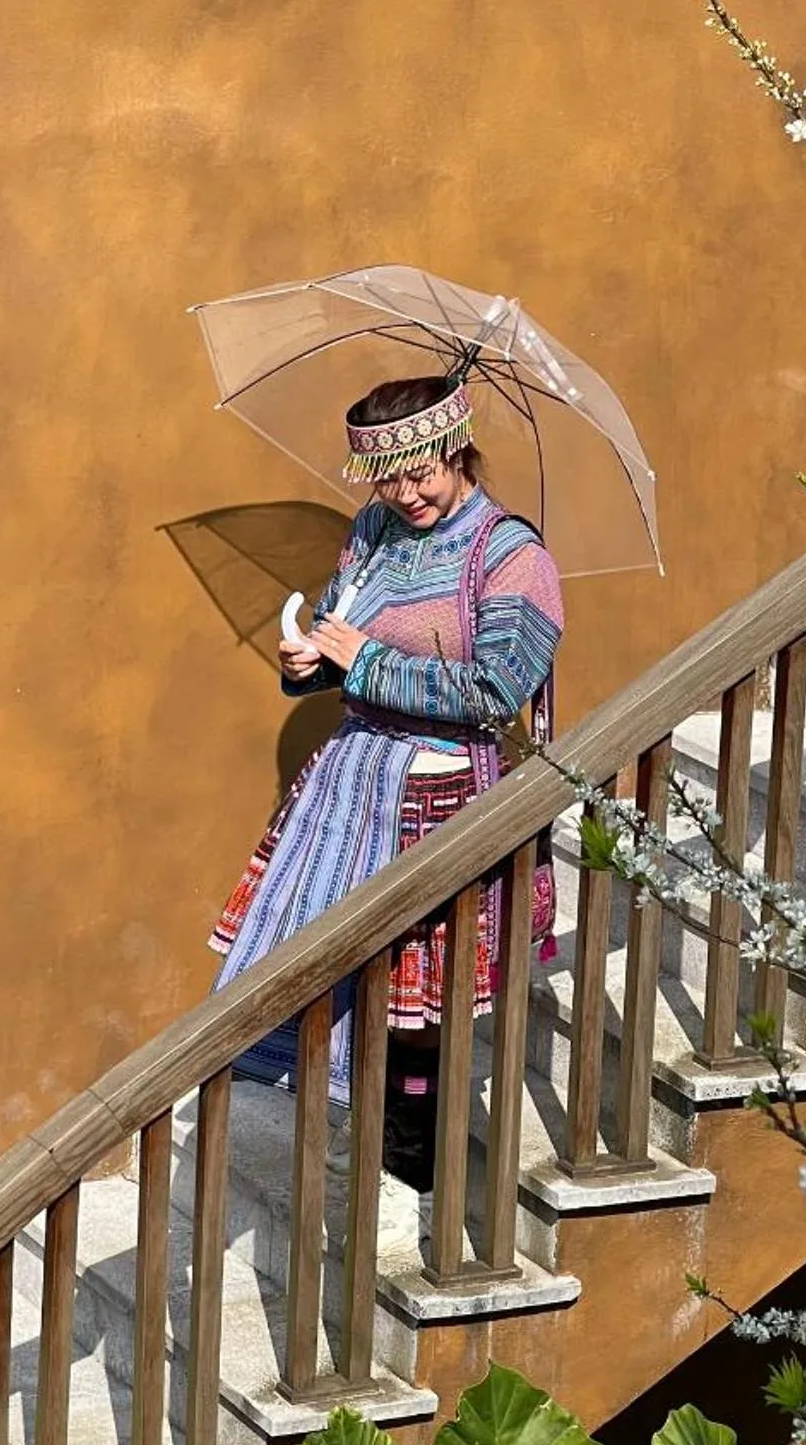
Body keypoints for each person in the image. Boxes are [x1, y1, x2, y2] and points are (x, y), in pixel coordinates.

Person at [207, 372, 564, 1188]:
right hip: (351, 787)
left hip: (443, 796)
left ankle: (409, 1158)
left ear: (458, 451)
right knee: (326, 965)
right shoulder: (373, 532)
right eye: (387, 479)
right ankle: (349, 1124)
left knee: (415, 998)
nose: (405, 494)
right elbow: (340, 631)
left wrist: (362, 661)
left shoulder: (514, 559)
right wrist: (308, 663)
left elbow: (495, 691)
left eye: (420, 473)